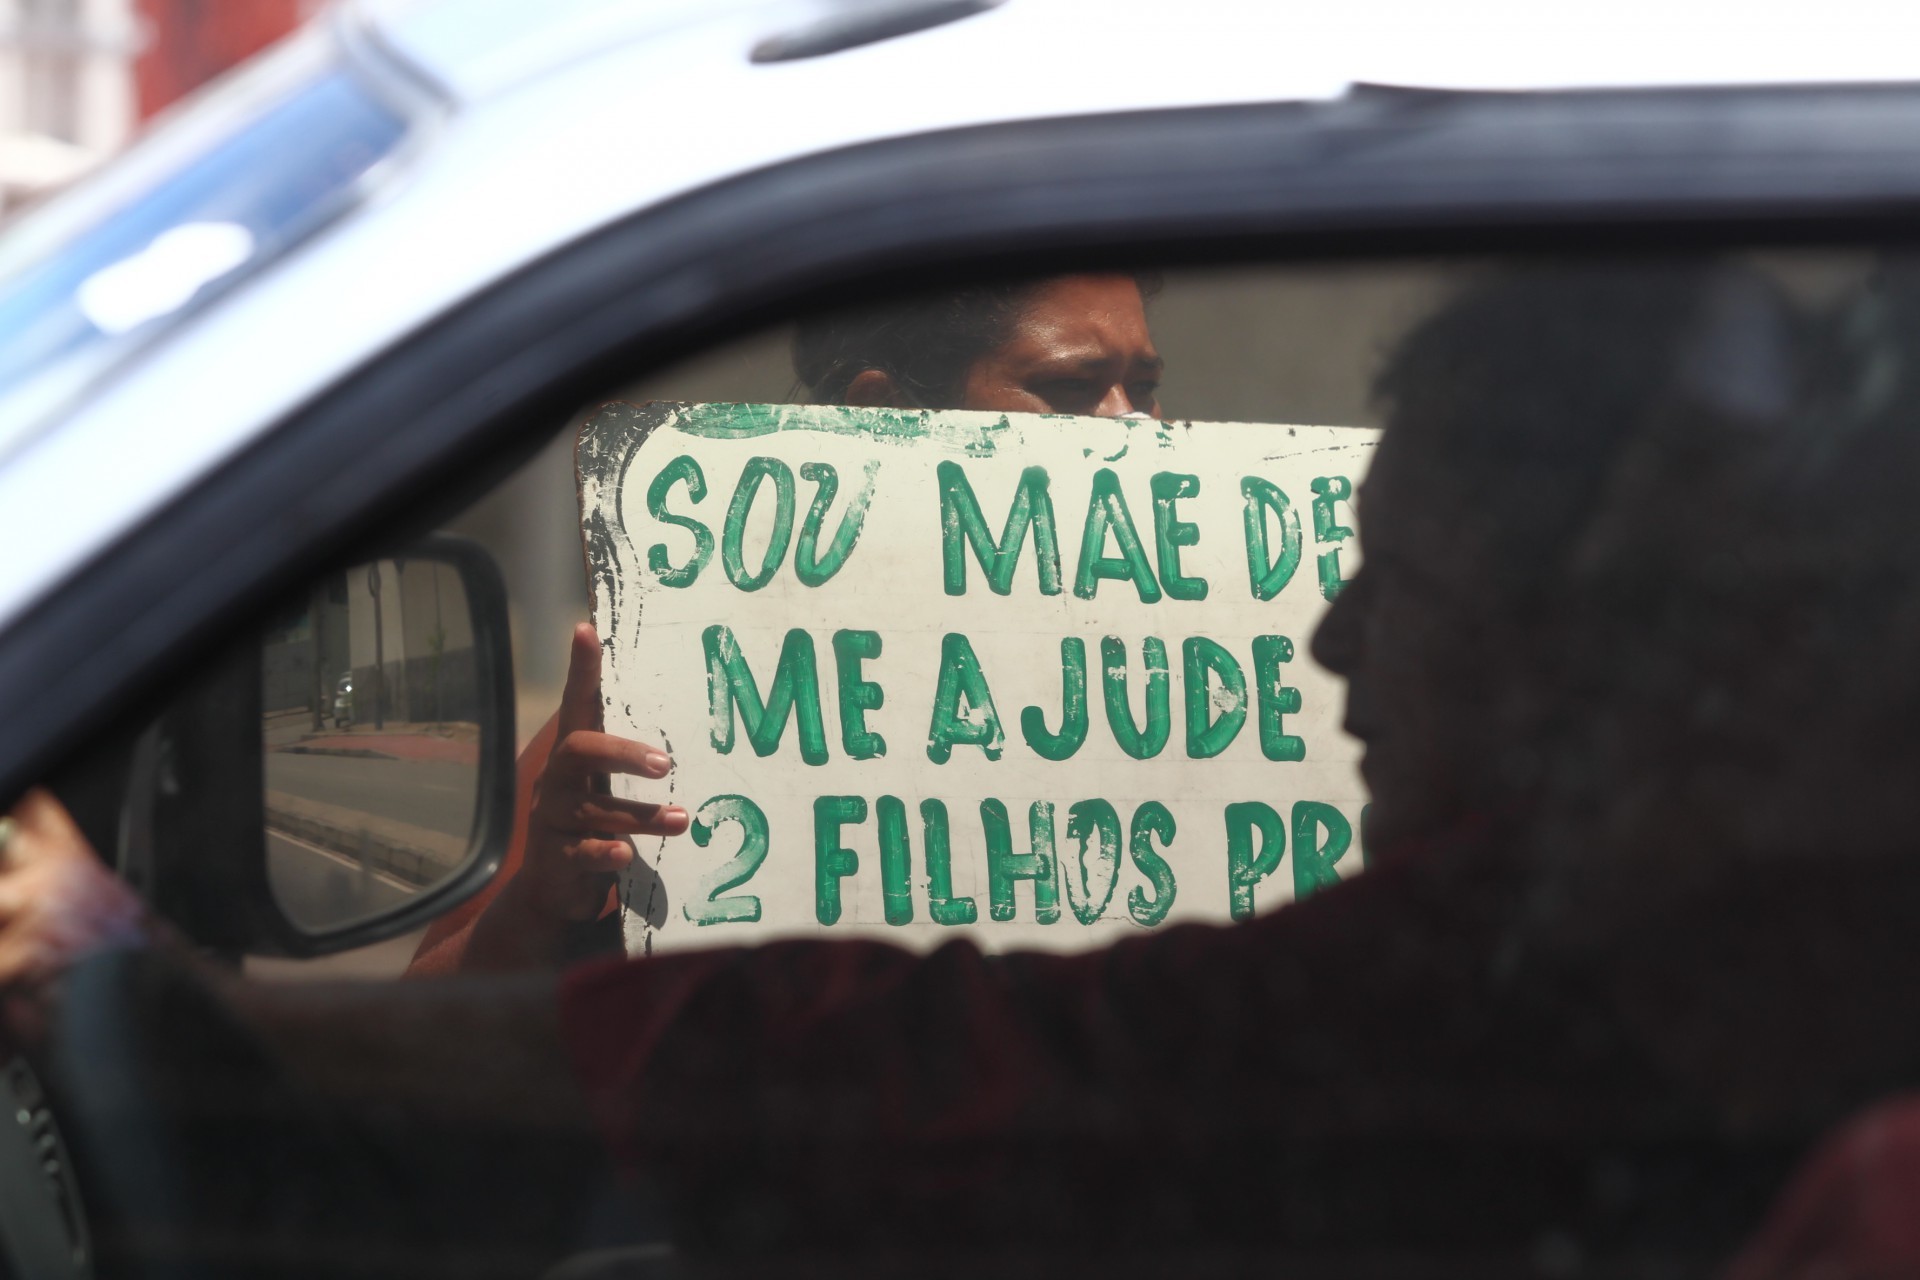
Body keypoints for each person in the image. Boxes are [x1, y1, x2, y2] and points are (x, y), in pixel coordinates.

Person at [9, 261, 1920, 1273]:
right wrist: (532, 903)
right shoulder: (1596, 942)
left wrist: (134, 994)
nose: (1329, 644)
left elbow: (1048, 1066)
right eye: (1065, 392)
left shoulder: (1546, 962)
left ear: (1615, 636)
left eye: (1397, 587)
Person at [406, 271, 1165, 975]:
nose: (1132, 426)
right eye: (1069, 388)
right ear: (889, 416)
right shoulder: (686, 678)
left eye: (1146, 387)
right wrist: (544, 899)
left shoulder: (1205, 679)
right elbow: (424, 1030)